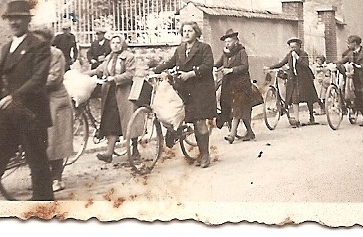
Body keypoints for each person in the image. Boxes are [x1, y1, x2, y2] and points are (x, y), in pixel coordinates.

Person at [0, 0, 53, 201]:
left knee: (38, 164)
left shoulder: (39, 46)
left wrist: (15, 96)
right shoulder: (7, 47)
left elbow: (38, 79)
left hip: (31, 115)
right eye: (11, 18)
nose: (14, 22)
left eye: (19, 18)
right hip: (7, 115)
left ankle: (44, 207)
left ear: (27, 20)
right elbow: (0, 78)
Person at [154, 21, 215, 168]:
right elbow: (170, 63)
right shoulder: (180, 49)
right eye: (184, 31)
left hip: (201, 90)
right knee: (185, 118)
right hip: (185, 91)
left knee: (199, 122)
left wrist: (191, 74)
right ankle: (193, 148)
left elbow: (208, 66)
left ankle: (205, 154)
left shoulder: (204, 48)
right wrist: (155, 70)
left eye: (190, 31)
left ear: (196, 33)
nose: (186, 33)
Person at [35, 27, 74, 193]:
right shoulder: (32, 54)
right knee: (39, 141)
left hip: (56, 101)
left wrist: (31, 86)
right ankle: (43, 177)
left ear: (47, 40)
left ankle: (57, 178)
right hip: (38, 99)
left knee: (55, 140)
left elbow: (54, 78)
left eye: (39, 39)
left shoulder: (56, 54)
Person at [91, 35, 139, 163]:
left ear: (123, 44)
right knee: (112, 121)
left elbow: (130, 74)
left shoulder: (129, 57)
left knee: (129, 120)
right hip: (110, 93)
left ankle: (135, 150)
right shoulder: (109, 57)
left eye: (118, 42)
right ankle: (109, 153)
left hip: (125, 93)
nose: (116, 45)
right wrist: (82, 74)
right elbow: (99, 70)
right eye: (113, 43)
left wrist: (115, 78)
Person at [214, 29, 259, 144]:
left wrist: (231, 70)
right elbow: (218, 63)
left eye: (229, 41)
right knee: (234, 107)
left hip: (241, 84)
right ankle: (250, 132)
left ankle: (232, 134)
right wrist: (214, 67)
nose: (227, 44)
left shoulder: (241, 52)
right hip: (228, 84)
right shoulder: (225, 53)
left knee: (238, 107)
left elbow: (245, 66)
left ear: (236, 41)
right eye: (226, 42)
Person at [268, 37, 320, 127]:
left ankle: (311, 117)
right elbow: (282, 63)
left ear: (299, 46)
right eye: (291, 47)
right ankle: (297, 120)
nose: (293, 49)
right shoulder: (289, 55)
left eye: (294, 47)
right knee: (295, 99)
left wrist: (297, 58)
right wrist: (270, 67)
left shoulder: (304, 54)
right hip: (294, 79)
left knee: (309, 98)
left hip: (304, 79)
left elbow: (305, 65)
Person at [338, 35, 363, 127]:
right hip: (355, 79)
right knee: (358, 99)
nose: (348, 46)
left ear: (354, 43)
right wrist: (335, 64)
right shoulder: (350, 53)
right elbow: (343, 60)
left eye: (349, 43)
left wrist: (360, 66)